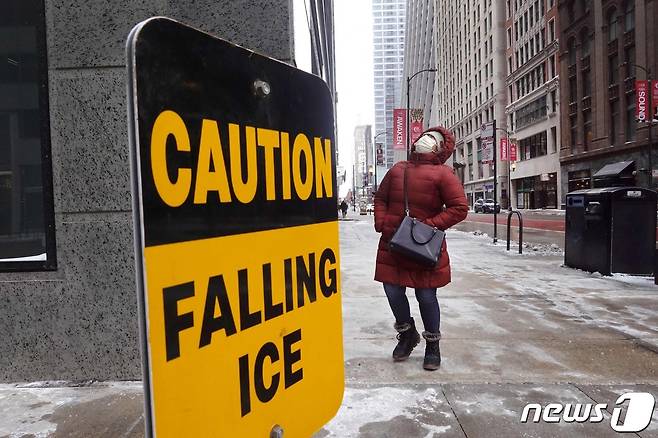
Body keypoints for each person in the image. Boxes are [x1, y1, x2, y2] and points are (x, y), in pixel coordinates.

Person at [373, 126, 468, 370]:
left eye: (433, 139)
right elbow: (381, 198)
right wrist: (381, 222)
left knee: (426, 295)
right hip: (393, 243)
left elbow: (459, 208)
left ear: (440, 148)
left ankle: (432, 344)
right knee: (392, 290)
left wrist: (428, 227)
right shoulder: (398, 170)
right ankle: (407, 334)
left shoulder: (444, 174)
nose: (426, 140)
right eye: (425, 136)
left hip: (424, 246)